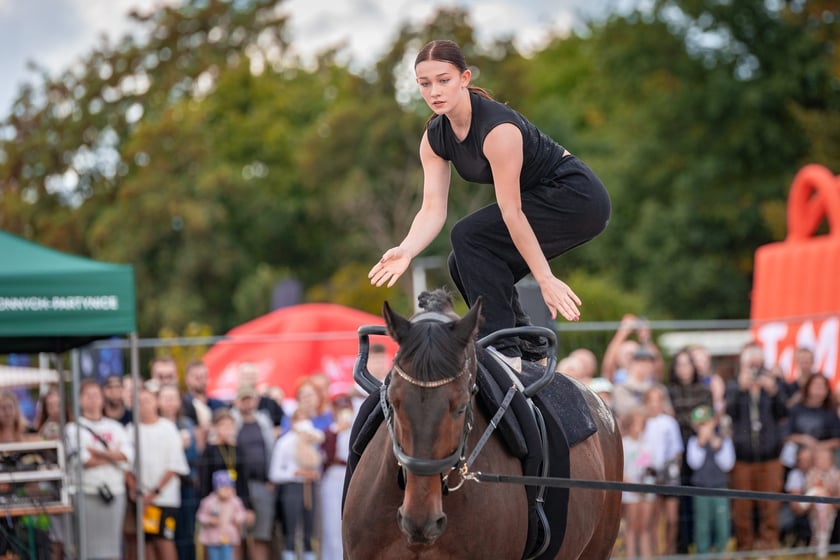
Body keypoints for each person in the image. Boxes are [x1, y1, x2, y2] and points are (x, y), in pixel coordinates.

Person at [367, 39, 611, 371]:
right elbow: (432, 209)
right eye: (425, 84)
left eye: (444, 80)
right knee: (462, 263)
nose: (434, 91)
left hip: (576, 197)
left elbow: (512, 212)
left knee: (468, 236)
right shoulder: (435, 138)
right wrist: (408, 250)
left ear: (465, 78)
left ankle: (504, 351)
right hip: (537, 200)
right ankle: (528, 344)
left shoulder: (498, 130)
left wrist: (545, 278)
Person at [726, 342, 788, 553]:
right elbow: (729, 412)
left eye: (758, 365)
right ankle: (745, 548)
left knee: (770, 507)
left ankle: (768, 549)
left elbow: (783, 413)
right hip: (742, 458)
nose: (754, 370)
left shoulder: (773, 384)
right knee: (742, 509)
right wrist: (740, 389)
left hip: (769, 456)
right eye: (750, 365)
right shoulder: (734, 386)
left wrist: (773, 391)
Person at [65, 379, 133, 560]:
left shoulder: (116, 427)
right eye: (88, 396)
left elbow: (128, 456)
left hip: (114, 493)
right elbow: (82, 460)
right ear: (79, 400)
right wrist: (112, 456)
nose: (93, 400)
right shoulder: (72, 429)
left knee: (112, 548)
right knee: (86, 549)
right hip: (86, 492)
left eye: (96, 395)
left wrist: (99, 454)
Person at [126, 387, 190, 560]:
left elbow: (174, 465)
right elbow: (126, 466)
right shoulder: (131, 430)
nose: (143, 406)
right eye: (139, 402)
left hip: (165, 498)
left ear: (156, 402)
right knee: (147, 543)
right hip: (141, 499)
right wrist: (136, 492)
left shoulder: (168, 428)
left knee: (164, 540)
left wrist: (154, 493)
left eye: (147, 401)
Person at [665, 347, 713, 554]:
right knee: (679, 498)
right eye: (679, 364)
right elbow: (674, 417)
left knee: (699, 496)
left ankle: (701, 542)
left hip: (700, 447)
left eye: (687, 364)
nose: (684, 369)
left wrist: (687, 421)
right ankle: (681, 544)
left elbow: (706, 419)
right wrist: (691, 421)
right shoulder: (669, 391)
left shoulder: (705, 391)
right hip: (676, 448)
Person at [269, 407, 325, 560]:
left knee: (309, 531)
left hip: (310, 487)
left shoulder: (314, 440)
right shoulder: (284, 443)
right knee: (290, 531)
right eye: (299, 419)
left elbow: (318, 462)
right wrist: (294, 473)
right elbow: (275, 473)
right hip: (291, 488)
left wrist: (313, 474)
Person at [230, 384, 275, 560]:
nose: (247, 404)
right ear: (237, 402)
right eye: (244, 399)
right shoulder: (232, 423)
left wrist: (271, 479)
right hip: (238, 487)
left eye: (250, 399)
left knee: (261, 536)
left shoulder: (263, 422)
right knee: (236, 536)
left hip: (262, 484)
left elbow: (271, 450)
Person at [158, 383, 203, 560]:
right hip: (160, 488)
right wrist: (177, 445)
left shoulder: (187, 425)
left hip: (185, 487)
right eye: (166, 398)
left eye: (173, 398)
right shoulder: (152, 425)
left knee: (186, 535)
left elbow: (192, 456)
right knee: (163, 536)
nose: (170, 403)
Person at [685, 405, 735, 554]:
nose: (704, 428)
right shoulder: (693, 442)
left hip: (720, 488)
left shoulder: (723, 440)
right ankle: (702, 554)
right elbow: (694, 463)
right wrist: (701, 443)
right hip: (700, 490)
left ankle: (722, 553)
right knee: (702, 526)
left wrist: (717, 446)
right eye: (700, 425)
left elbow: (728, 465)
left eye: (706, 423)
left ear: (714, 422)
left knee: (722, 525)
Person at [641, 385, 683, 556]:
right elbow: (641, 451)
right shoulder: (644, 423)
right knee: (654, 519)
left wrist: (669, 469)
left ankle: (669, 551)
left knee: (672, 519)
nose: (654, 405)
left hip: (669, 474)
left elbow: (677, 449)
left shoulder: (670, 423)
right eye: (651, 401)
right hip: (651, 475)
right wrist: (647, 469)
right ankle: (655, 553)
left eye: (658, 401)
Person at [319, 395, 354, 560]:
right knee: (332, 524)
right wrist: (335, 432)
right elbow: (325, 456)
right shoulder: (329, 431)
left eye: (346, 408)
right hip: (333, 476)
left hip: (352, 475)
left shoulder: (358, 429)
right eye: (339, 409)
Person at [620, 406, 655, 559]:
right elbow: (622, 470)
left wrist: (644, 486)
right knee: (631, 528)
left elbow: (647, 467)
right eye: (635, 423)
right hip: (630, 491)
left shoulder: (646, 444)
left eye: (641, 423)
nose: (638, 427)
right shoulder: (624, 443)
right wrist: (633, 486)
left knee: (645, 528)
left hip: (645, 490)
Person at [196, 470, 248, 560]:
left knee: (227, 556)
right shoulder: (209, 501)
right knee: (214, 557)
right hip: (212, 537)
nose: (227, 491)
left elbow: (242, 513)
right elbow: (200, 515)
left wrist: (237, 518)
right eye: (224, 488)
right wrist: (209, 520)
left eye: (229, 488)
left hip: (228, 536)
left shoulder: (235, 501)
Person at [603, 314, 663, 384]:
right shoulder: (616, 376)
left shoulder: (646, 375)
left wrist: (645, 336)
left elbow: (658, 367)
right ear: (618, 358)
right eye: (627, 354)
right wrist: (622, 332)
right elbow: (607, 366)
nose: (630, 356)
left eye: (633, 353)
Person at [803, 446, 840, 557]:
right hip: (813, 507)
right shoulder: (811, 474)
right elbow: (808, 490)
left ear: (831, 460)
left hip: (830, 507)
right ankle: (821, 544)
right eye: (819, 459)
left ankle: (818, 544)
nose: (821, 462)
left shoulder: (836, 474)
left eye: (824, 459)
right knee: (820, 513)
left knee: (824, 513)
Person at [182, 360, 226, 431]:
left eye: (203, 376)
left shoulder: (219, 405)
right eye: (196, 377)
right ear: (186, 379)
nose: (200, 380)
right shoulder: (182, 406)